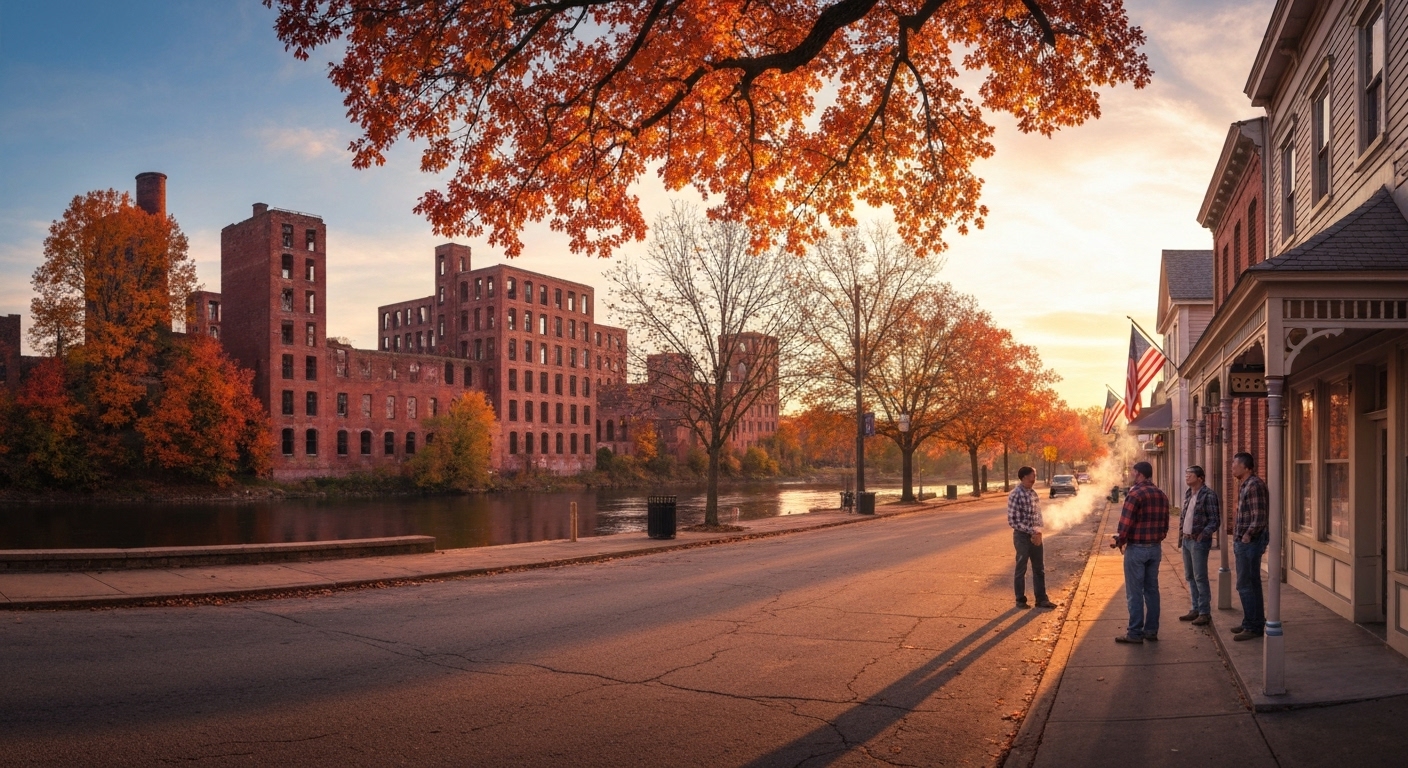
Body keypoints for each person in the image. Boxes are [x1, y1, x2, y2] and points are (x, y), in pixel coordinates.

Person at [1111, 461, 1170, 643]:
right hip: (1155, 548)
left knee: (1134, 592)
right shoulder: (1161, 494)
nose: (1131, 474)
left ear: (1139, 474)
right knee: (1152, 590)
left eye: (1133, 472)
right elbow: (1166, 524)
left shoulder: (1135, 493)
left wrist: (1119, 540)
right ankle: (1151, 630)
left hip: (1137, 549)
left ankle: (1135, 632)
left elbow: (1126, 523)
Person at [1230, 452, 1269, 641]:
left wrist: (1247, 535)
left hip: (1250, 543)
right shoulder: (1245, 484)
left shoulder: (1254, 485)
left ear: (1246, 467)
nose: (1232, 467)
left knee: (1245, 584)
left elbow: (1259, 516)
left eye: (1235, 464)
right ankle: (1252, 621)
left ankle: (1253, 627)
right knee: (1251, 583)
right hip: (1244, 542)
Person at [1176, 465, 1219, 626]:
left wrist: (1203, 534)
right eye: (1186, 474)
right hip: (1187, 540)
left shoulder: (1209, 495)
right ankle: (1195, 608)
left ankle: (1204, 612)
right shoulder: (1188, 494)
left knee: (1200, 576)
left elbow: (1215, 520)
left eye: (1190, 474)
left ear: (1200, 478)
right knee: (1190, 576)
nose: (1187, 477)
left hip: (1198, 541)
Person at [1008, 466, 1056, 610]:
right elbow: (1013, 521)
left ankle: (1041, 599)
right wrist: (1031, 531)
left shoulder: (1033, 493)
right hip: (1022, 536)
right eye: (1032, 476)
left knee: (1039, 568)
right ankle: (1020, 600)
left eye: (1034, 476)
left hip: (1035, 534)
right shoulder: (1015, 494)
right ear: (1023, 477)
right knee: (1021, 568)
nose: (1034, 479)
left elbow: (1038, 514)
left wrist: (1039, 531)